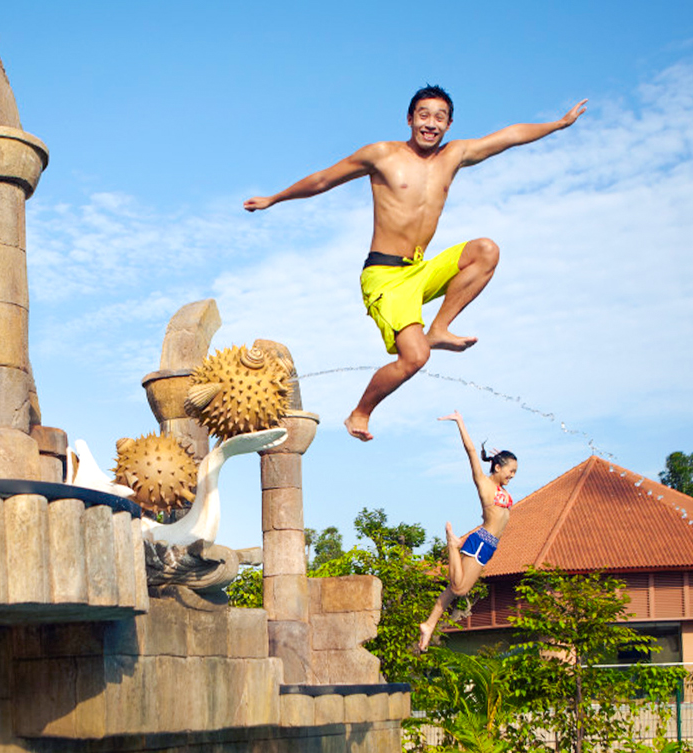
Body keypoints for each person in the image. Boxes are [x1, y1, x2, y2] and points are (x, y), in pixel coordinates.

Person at [244, 86, 585, 440]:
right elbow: (323, 179)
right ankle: (360, 412)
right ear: (409, 119)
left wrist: (559, 124)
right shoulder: (381, 155)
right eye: (423, 115)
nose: (430, 124)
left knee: (486, 250)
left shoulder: (454, 155)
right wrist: (274, 199)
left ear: (449, 125)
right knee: (416, 358)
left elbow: (509, 136)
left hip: (419, 270)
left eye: (440, 118)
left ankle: (439, 328)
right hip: (385, 276)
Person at [417, 410, 516, 653]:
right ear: (497, 467)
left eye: (515, 472)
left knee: (453, 591)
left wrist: (502, 458)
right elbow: (471, 452)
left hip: (488, 544)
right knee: (460, 589)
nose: (512, 476)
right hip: (482, 541)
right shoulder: (485, 484)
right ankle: (452, 545)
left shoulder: (502, 490)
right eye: (510, 471)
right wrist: (460, 422)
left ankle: (429, 625)